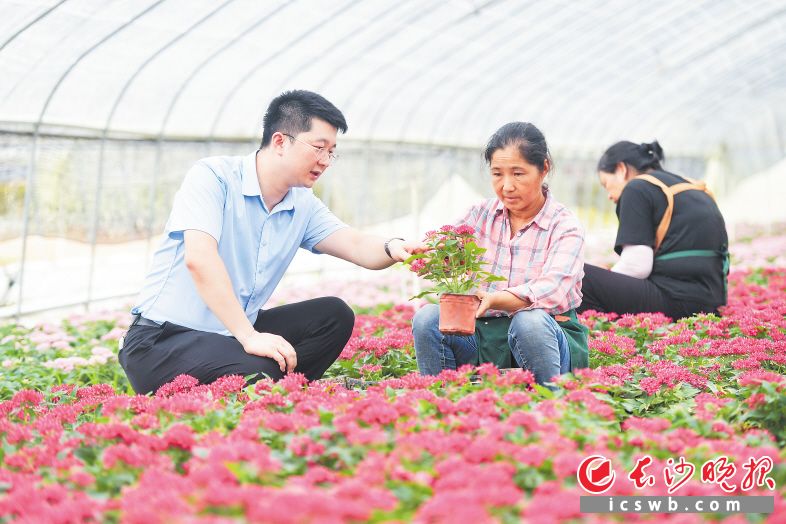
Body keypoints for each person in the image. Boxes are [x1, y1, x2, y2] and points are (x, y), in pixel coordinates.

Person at [119, 90, 418, 394]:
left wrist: (394, 247)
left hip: (227, 337)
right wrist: (249, 337)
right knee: (261, 373)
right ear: (279, 142)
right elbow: (200, 259)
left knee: (334, 316)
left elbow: (355, 244)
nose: (326, 160)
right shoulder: (214, 177)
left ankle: (281, 391)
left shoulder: (302, 203)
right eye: (319, 147)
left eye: (332, 151)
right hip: (162, 342)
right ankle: (266, 387)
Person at [412, 122, 588, 387]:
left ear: (544, 169)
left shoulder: (564, 225)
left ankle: (551, 408)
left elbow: (552, 289)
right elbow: (446, 252)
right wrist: (430, 255)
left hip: (546, 338)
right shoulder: (480, 215)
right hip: (482, 336)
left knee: (529, 321)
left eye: (518, 173)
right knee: (428, 318)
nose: (507, 186)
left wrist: (495, 299)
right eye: (497, 174)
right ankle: (442, 407)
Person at [578, 140, 728, 319]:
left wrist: (607, 277)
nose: (609, 195)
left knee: (578, 277)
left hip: (674, 301)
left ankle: (603, 335)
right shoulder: (693, 186)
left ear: (621, 169)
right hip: (711, 303)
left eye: (606, 184)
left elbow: (637, 266)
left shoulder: (636, 188)